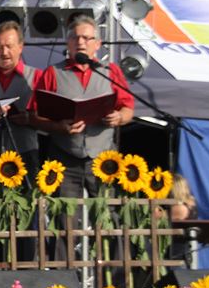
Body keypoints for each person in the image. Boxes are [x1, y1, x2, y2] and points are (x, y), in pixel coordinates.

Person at [30, 15, 135, 260]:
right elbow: (34, 116)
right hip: (65, 157)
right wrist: (58, 125)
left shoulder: (111, 72)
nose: (81, 42)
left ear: (97, 44)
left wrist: (119, 117)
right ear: (67, 43)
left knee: (111, 217)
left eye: (87, 38)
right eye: (76, 37)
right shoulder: (52, 73)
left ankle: (115, 281)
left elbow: (128, 109)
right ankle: (64, 281)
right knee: (64, 219)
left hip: (103, 157)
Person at [0, 21, 42, 262]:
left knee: (26, 210)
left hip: (24, 152)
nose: (4, 52)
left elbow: (48, 115)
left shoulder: (35, 77)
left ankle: (27, 265)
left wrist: (29, 118)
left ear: (20, 47)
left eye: (9, 46)